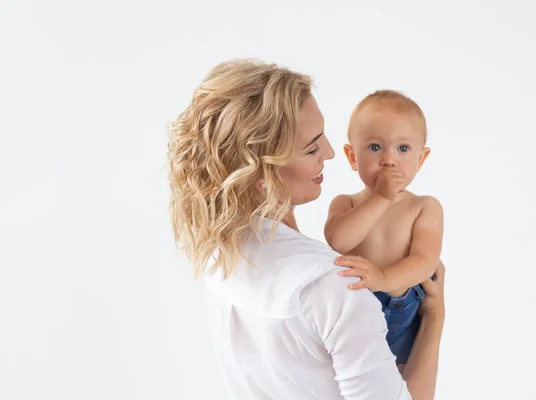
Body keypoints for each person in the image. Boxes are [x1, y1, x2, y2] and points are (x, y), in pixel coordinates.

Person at [168, 59, 445, 400]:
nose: (329, 153)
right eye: (313, 147)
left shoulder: (219, 253)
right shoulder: (336, 286)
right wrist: (433, 318)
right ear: (260, 174)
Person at [325, 90, 443, 372]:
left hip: (402, 308)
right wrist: (380, 197)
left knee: (402, 378)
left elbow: (425, 261)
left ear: (420, 159)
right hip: (354, 305)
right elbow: (338, 241)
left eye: (403, 149)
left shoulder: (424, 207)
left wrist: (383, 277)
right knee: (346, 377)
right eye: (375, 147)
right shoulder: (346, 203)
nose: (389, 159)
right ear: (352, 157)